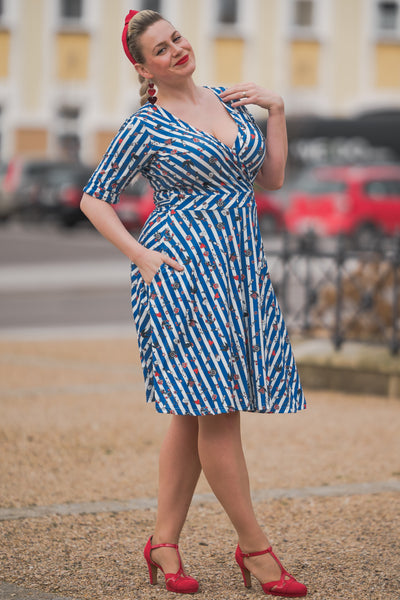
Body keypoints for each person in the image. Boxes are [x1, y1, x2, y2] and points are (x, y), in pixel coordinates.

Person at [81, 8, 307, 598]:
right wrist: (142, 256)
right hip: (181, 277)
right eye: (161, 49)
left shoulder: (231, 103)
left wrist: (276, 110)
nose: (177, 50)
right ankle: (256, 549)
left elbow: (271, 179)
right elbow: (94, 200)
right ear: (145, 68)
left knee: (192, 412)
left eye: (176, 37)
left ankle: (163, 541)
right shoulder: (146, 125)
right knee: (219, 410)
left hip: (238, 274)